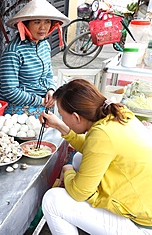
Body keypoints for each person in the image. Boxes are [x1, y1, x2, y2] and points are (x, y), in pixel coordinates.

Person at [39, 79, 152, 234]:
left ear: (77, 117)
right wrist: (60, 125)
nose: (63, 119)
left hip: (142, 225)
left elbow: (79, 193)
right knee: (79, 158)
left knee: (52, 200)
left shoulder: (102, 135)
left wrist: (68, 170)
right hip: (142, 204)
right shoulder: (117, 114)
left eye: (63, 115)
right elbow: (93, 150)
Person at [0, 0, 70, 116]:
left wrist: (51, 90)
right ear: (25, 25)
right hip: (17, 105)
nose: (43, 27)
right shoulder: (14, 52)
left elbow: (48, 75)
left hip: (42, 99)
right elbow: (9, 91)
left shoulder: (44, 45)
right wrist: (40, 101)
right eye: (37, 22)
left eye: (47, 22)